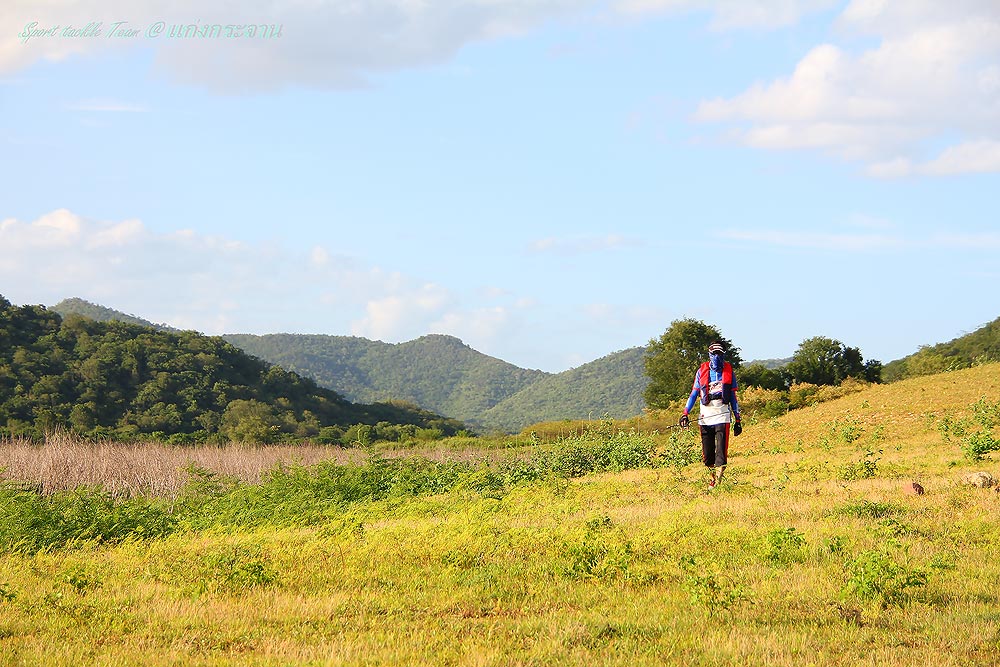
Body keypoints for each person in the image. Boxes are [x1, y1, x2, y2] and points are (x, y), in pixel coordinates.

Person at [679, 341, 742, 489]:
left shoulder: (729, 371)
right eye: (714, 354)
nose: (717, 357)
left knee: (721, 450)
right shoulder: (702, 371)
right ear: (709, 354)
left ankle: (718, 483)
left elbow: (733, 397)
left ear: (724, 354)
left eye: (720, 354)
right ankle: (712, 478)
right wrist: (685, 413)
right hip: (706, 415)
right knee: (707, 455)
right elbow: (694, 394)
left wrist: (737, 419)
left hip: (723, 414)